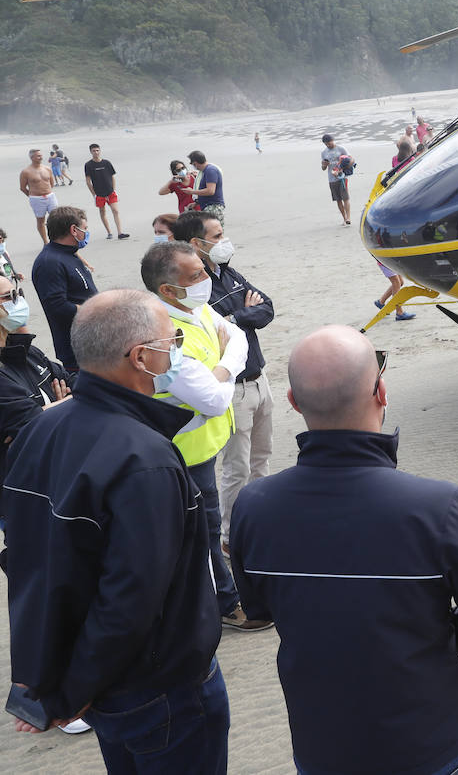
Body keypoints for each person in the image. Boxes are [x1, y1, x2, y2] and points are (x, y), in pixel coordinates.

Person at [231, 325, 458, 775]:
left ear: (293, 402)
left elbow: (259, 607)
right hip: (431, 742)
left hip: (322, 744)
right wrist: (443, 630)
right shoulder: (438, 506)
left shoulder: (253, 506)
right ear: (381, 392)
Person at [2, 289, 227, 770]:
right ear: (141, 357)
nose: (177, 350)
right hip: (159, 686)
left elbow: (24, 563)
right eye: (174, 340)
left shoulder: (39, 430)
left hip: (102, 681)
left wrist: (47, 674)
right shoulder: (144, 459)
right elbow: (131, 599)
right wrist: (71, 694)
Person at [140, 241, 270, 632]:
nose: (207, 279)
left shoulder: (196, 307)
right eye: (196, 275)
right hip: (185, 452)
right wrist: (227, 365)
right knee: (204, 532)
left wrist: (219, 369)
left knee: (204, 530)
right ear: (167, 289)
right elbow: (213, 400)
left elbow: (240, 339)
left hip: (205, 443)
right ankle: (227, 604)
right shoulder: (163, 331)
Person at [173, 211, 275, 554]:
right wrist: (241, 317)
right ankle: (234, 537)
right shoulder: (197, 291)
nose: (223, 241)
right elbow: (226, 334)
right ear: (195, 244)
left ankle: (261, 521)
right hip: (234, 389)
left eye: (221, 233)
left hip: (260, 380)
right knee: (238, 467)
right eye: (216, 236)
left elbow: (267, 308)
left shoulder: (229, 273)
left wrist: (235, 318)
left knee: (261, 459)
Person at [0, 269, 71, 526]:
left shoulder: (27, 351)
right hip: (24, 498)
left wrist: (47, 409)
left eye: (18, 293)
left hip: (58, 480)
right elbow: (30, 425)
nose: (19, 302)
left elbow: (80, 386)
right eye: (8, 297)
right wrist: (61, 406)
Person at [30, 206, 98, 373]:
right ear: (74, 230)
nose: (87, 233)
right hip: (78, 349)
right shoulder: (49, 262)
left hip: (92, 341)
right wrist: (98, 310)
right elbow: (58, 307)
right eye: (85, 228)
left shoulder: (68, 253)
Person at [83, 143, 129, 240]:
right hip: (99, 193)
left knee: (115, 211)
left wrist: (113, 189)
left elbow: (112, 176)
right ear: (90, 152)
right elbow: (88, 181)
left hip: (110, 192)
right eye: (94, 151)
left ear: (100, 151)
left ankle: (120, 233)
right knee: (102, 212)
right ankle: (109, 232)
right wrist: (94, 194)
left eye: (97, 150)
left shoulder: (107, 163)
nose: (96, 152)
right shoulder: (88, 165)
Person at [18, 148, 58, 244]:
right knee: (40, 220)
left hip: (50, 196)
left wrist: (47, 192)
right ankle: (45, 242)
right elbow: (23, 187)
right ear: (32, 157)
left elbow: (51, 183)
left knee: (56, 218)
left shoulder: (47, 168)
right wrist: (33, 196)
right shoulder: (26, 172)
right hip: (36, 199)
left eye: (41, 155)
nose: (41, 157)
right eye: (38, 156)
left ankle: (56, 239)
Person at [181, 150, 226, 223]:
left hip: (213, 207)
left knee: (212, 232)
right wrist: (196, 203)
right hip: (209, 206)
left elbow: (210, 191)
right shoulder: (206, 171)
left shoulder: (210, 170)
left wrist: (191, 191)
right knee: (208, 233)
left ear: (195, 163)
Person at [320, 134, 352, 226]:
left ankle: (348, 217)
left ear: (333, 140)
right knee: (338, 200)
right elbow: (323, 168)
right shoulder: (324, 152)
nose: (328, 145)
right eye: (326, 144)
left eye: (329, 143)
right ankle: (344, 218)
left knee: (345, 198)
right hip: (331, 178)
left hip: (342, 177)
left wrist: (342, 169)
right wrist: (324, 164)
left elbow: (349, 159)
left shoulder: (341, 149)